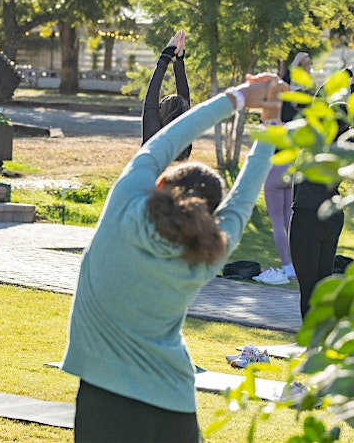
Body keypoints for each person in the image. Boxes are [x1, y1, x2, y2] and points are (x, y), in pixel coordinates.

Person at [63, 73, 281, 442]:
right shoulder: (209, 252)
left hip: (103, 400)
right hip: (173, 405)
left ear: (160, 184)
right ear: (211, 218)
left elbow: (168, 138)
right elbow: (244, 195)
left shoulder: (124, 208)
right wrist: (272, 122)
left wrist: (241, 96)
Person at [289, 62, 354, 319]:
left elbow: (321, 92)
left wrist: (347, 74)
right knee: (322, 286)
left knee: (309, 290)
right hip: (332, 217)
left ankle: (311, 348)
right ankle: (321, 343)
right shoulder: (348, 144)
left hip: (308, 216)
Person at [254, 74, 294, 285]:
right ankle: (296, 264)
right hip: (291, 170)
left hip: (274, 172)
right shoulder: (294, 120)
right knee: (290, 221)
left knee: (278, 223)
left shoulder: (270, 122)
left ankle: (287, 267)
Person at [141, 29, 191, 161]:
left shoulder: (154, 136)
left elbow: (150, 99)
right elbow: (184, 99)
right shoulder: (184, 139)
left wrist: (165, 57)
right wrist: (178, 62)